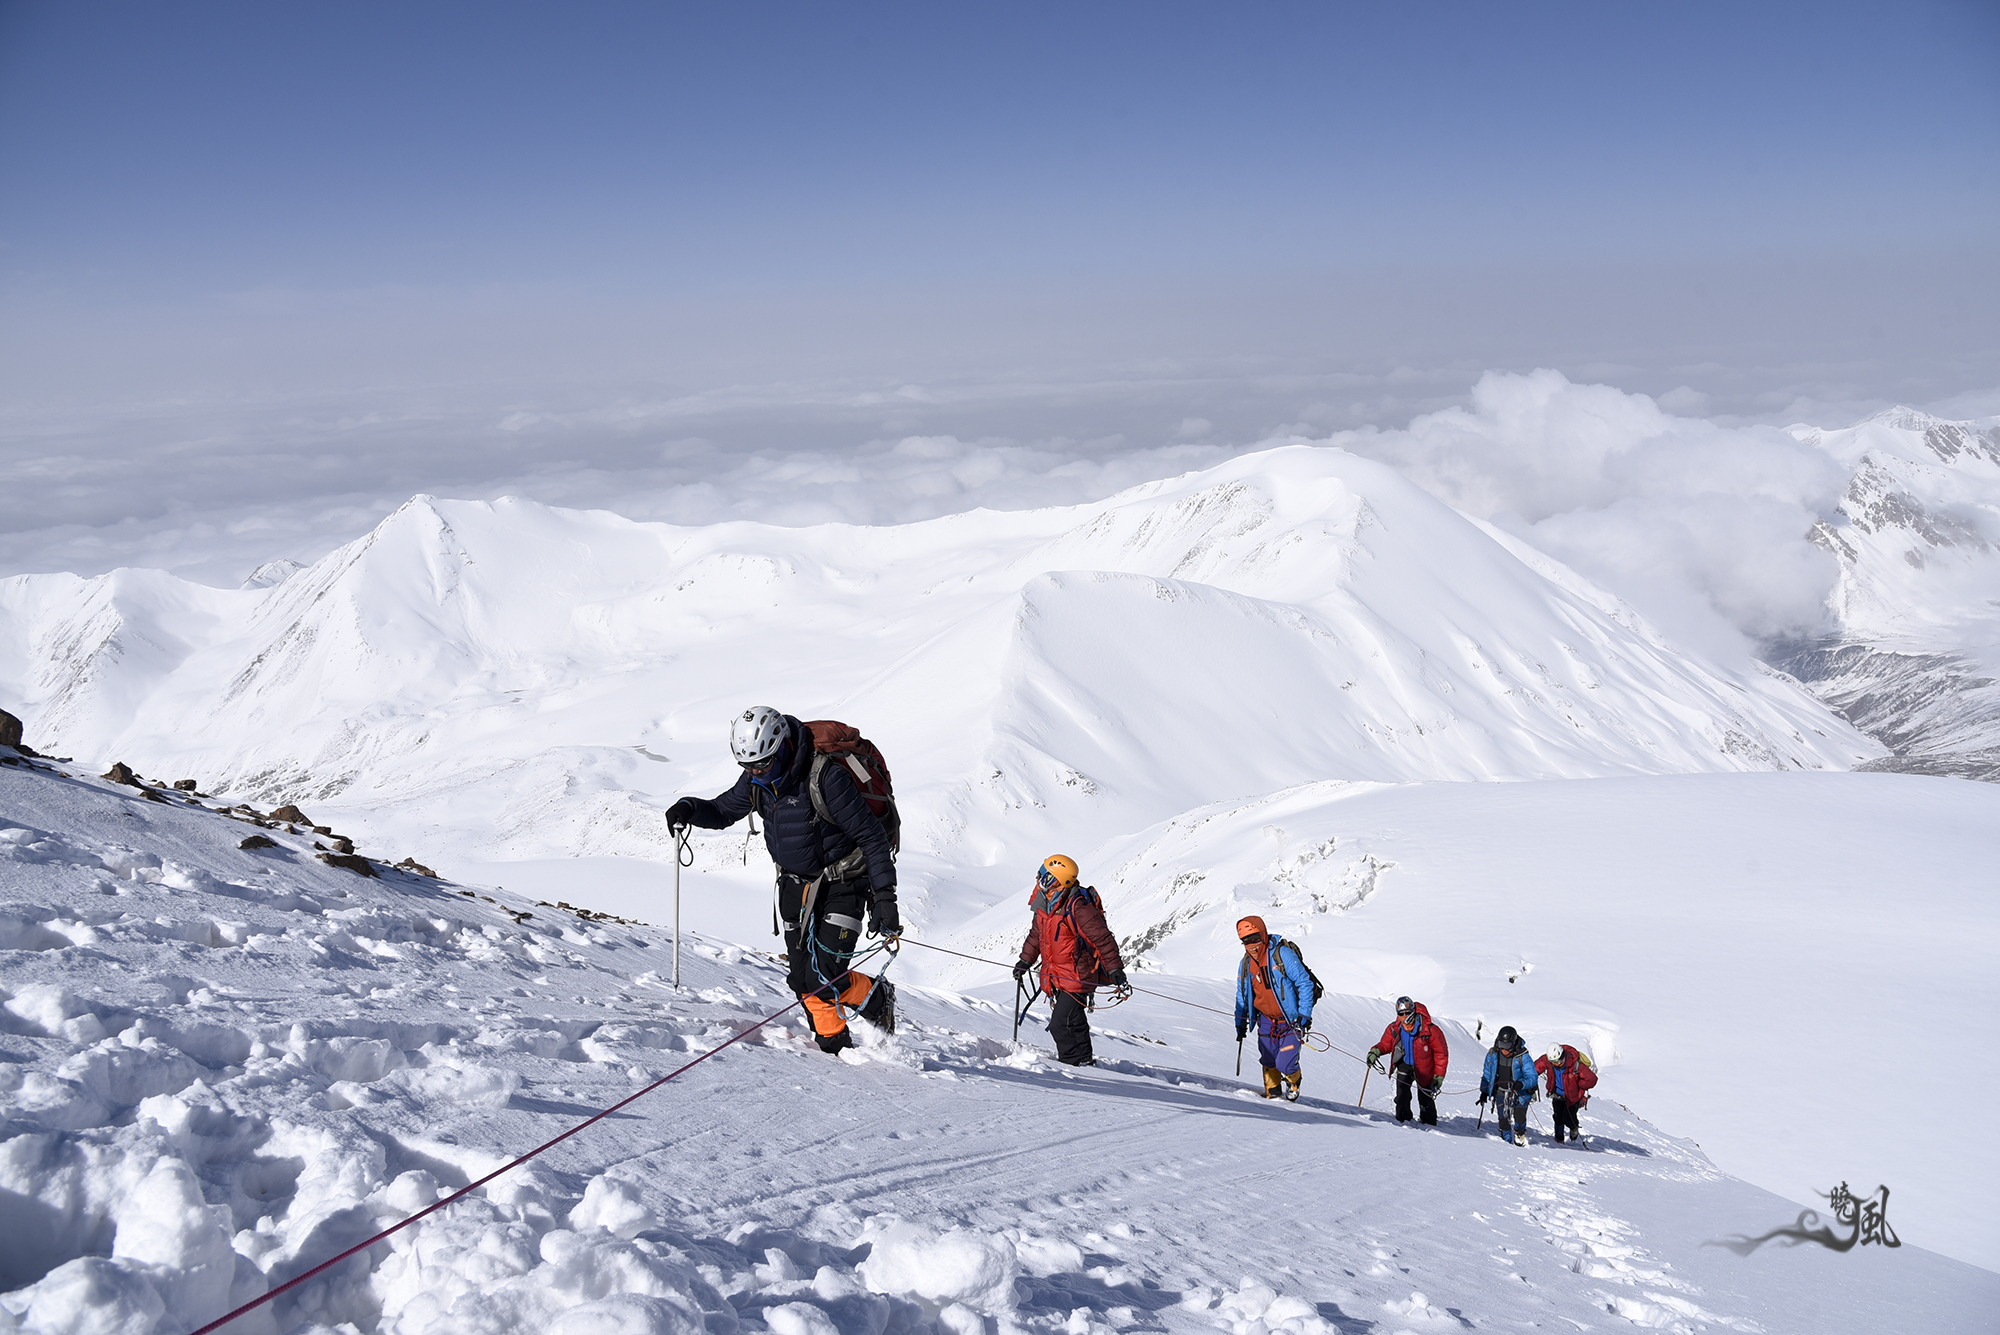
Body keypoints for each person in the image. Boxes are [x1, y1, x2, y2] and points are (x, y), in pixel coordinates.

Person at [665, 706, 899, 1054]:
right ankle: (834, 1045)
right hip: (794, 887)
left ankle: (875, 995)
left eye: (763, 764)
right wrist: (688, 808)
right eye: (748, 767)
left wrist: (884, 899)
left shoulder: (826, 777)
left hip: (844, 884)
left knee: (823, 977)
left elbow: (871, 838)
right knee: (801, 979)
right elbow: (723, 810)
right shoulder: (757, 778)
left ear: (783, 747)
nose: (756, 773)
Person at [1012, 855, 1126, 1066]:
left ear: (1057, 880)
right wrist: (1024, 961)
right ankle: (1084, 1060)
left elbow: (1102, 939)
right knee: (1074, 1021)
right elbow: (1037, 935)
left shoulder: (1078, 907)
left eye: (1045, 875)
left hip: (1077, 975)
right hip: (1058, 975)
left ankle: (1072, 1066)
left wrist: (1115, 969)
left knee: (1060, 1025)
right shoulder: (1044, 902)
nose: (1039, 877)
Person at [1231, 915, 1315, 1101]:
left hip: (1291, 1021)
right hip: (1266, 1020)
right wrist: (1240, 1023)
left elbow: (1304, 983)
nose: (1250, 945)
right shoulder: (1245, 965)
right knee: (1268, 1060)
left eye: (1254, 939)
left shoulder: (1282, 954)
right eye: (1245, 941)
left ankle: (1294, 1080)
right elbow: (1242, 996)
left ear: (1263, 934)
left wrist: (1304, 1015)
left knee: (1285, 1063)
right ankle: (1273, 1095)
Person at [1366, 996, 1449, 1125]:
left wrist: (1438, 1076)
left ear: (1413, 1011)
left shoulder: (1430, 1030)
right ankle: (1403, 1122)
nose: (1404, 1016)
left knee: (1425, 1099)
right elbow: (1386, 1044)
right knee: (1401, 1097)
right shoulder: (1395, 1028)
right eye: (1401, 1013)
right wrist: (1375, 1051)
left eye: (1407, 1013)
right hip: (1404, 1064)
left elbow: (1441, 1054)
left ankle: (1429, 1124)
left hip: (1424, 1068)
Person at [1479, 1026, 1538, 1146]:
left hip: (1520, 1093)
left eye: (1506, 1046)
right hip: (1501, 1091)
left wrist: (1521, 1083)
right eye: (1501, 1045)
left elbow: (1532, 1077)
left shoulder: (1523, 1056)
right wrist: (1484, 1091)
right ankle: (1506, 1143)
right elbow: (1487, 1074)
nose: (1503, 1049)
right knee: (1503, 1119)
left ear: (1513, 1043)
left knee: (1519, 1117)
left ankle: (1520, 1133)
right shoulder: (1492, 1054)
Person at [1537, 1042, 1598, 1145]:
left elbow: (1592, 1079)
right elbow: (1535, 1068)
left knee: (1568, 1117)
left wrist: (1580, 1085)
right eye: (1553, 1062)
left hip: (1573, 1097)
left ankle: (1574, 1128)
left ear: (1562, 1056)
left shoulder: (1574, 1064)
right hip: (1557, 1094)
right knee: (1558, 1116)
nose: (1556, 1064)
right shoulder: (1548, 1061)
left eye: (1558, 1061)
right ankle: (1559, 1139)